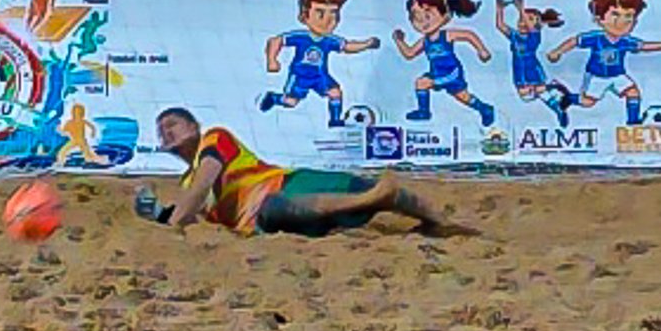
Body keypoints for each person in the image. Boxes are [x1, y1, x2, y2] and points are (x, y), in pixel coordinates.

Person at [137, 108, 476, 237]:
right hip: (266, 220)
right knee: (278, 208)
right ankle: (374, 200)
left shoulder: (215, 138)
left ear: (194, 126)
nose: (166, 131)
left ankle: (437, 220)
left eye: (172, 124)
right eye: (161, 130)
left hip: (285, 182)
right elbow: (192, 210)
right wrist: (156, 211)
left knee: (363, 186)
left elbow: (200, 189)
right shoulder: (186, 181)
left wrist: (170, 222)